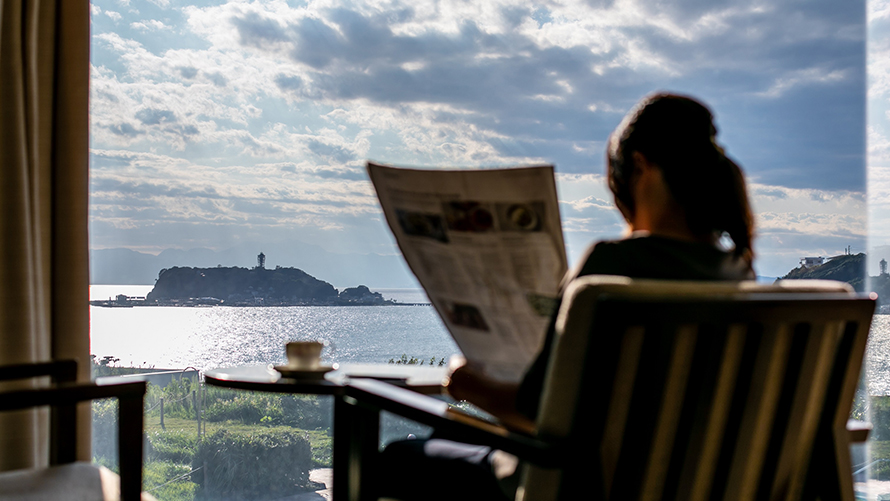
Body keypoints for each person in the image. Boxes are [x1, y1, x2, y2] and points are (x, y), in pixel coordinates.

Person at [376, 92, 756, 501]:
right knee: (447, 435)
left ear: (640, 168)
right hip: (689, 483)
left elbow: (539, 414)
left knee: (397, 457)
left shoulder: (613, 263)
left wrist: (465, 384)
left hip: (575, 483)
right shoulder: (737, 272)